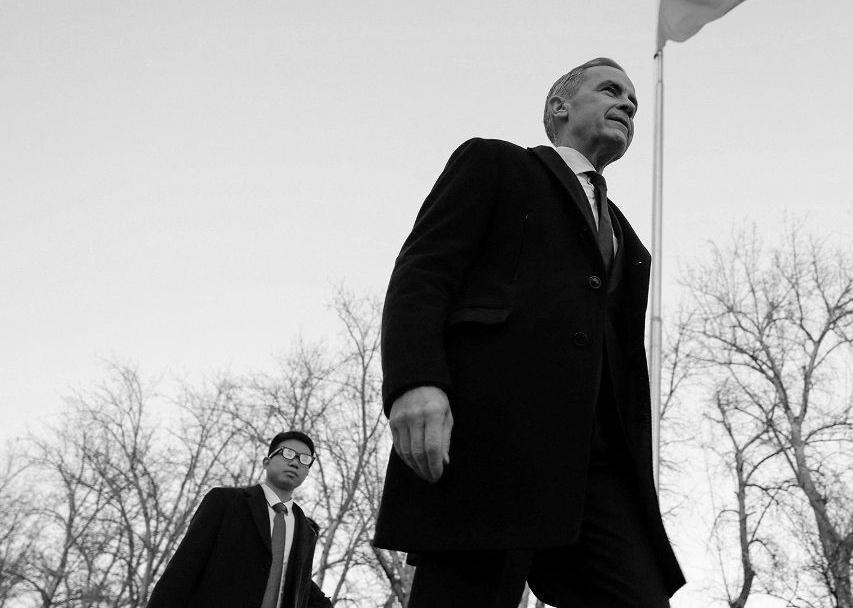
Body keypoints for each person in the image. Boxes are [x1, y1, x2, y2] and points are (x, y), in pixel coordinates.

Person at [374, 57, 685, 607]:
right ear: (559, 106)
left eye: (634, 103)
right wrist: (415, 381)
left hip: (601, 469)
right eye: (612, 90)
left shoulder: (629, 242)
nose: (629, 107)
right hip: (492, 443)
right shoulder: (495, 164)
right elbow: (424, 272)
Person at [148, 431, 332, 608]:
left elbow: (300, 590)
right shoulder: (225, 502)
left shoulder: (306, 532)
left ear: (307, 472)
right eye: (288, 454)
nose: (295, 463)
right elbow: (184, 567)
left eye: (304, 459)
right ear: (266, 462)